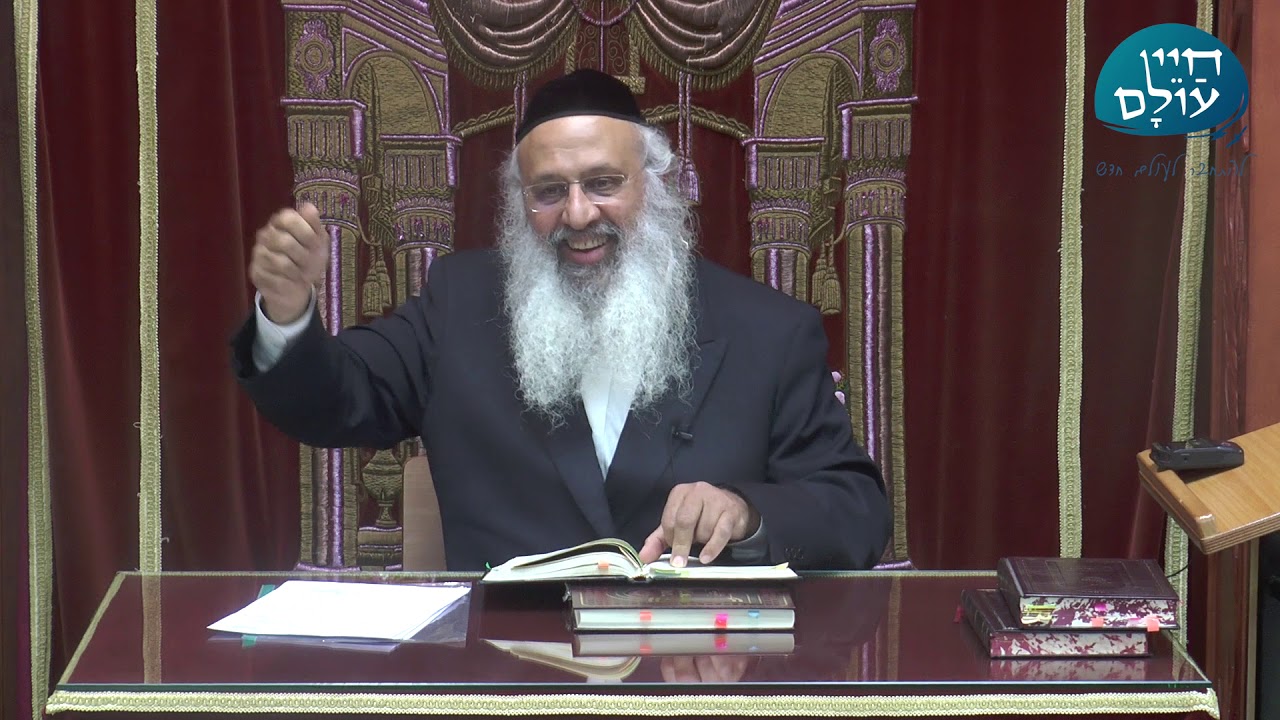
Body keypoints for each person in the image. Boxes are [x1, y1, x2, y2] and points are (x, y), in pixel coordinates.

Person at [231, 68, 891, 571]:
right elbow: (334, 402)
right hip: (508, 674)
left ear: (656, 185)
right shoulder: (460, 304)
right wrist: (286, 314)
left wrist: (748, 514)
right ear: (521, 203)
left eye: (604, 183)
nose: (577, 215)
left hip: (690, 673)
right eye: (549, 191)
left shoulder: (768, 331)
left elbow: (857, 513)